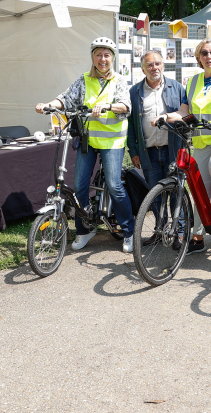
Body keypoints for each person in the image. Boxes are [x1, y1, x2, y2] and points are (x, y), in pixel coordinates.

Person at [36, 37, 136, 253]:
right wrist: (48, 105)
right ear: (92, 57)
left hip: (112, 140)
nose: (103, 59)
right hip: (87, 140)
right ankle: (85, 229)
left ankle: (129, 232)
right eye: (98, 54)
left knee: (114, 185)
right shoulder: (83, 80)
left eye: (107, 55)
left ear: (112, 58)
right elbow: (65, 99)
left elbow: (126, 105)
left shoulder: (118, 80)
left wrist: (108, 106)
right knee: (80, 186)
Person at [158, 38, 211, 255]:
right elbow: (184, 111)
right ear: (198, 57)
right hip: (202, 140)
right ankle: (197, 238)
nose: (209, 57)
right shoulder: (193, 81)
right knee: (198, 190)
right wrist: (165, 116)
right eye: (204, 53)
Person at [126, 50, 189, 249]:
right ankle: (159, 231)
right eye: (150, 65)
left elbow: (186, 117)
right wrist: (134, 151)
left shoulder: (177, 88)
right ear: (143, 68)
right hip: (149, 152)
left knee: (175, 192)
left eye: (158, 64)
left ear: (163, 65)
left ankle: (178, 233)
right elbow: (131, 125)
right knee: (155, 195)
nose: (154, 68)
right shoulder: (135, 92)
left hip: (173, 149)